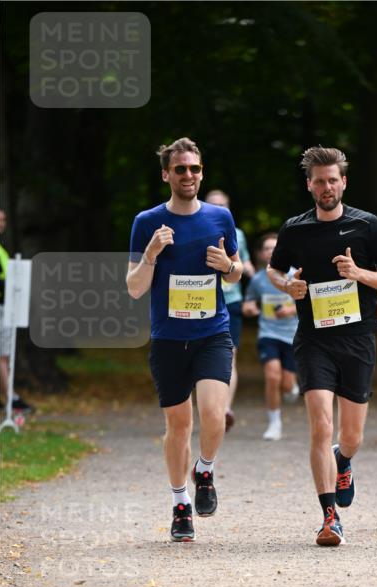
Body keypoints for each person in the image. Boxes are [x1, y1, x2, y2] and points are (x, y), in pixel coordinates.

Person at [267, 145, 377, 546]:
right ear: (309, 185)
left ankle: (343, 461)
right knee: (320, 426)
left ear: (343, 182)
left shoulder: (368, 226)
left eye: (332, 180)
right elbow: (274, 270)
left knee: (352, 436)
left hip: (358, 338)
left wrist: (358, 272)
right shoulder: (296, 228)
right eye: (319, 181)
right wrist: (287, 285)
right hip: (314, 340)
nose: (326, 187)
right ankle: (330, 517)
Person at [126, 137, 241, 542]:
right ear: (166, 175)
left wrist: (228, 265)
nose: (188, 175)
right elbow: (135, 288)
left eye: (194, 169)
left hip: (212, 332)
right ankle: (180, 504)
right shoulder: (147, 223)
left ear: (202, 172)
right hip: (169, 339)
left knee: (213, 414)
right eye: (180, 170)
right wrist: (151, 255)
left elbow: (236, 272)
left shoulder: (220, 217)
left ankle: (205, 470)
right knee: (178, 425)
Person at [204, 190, 255, 431]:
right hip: (200, 300)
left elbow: (243, 263)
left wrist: (259, 280)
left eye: (223, 206)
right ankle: (211, 408)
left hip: (231, 300)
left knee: (229, 356)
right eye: (214, 205)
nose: (219, 210)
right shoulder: (196, 228)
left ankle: (224, 409)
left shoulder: (239, 235)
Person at [242, 233, 298, 441]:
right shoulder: (257, 279)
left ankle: (291, 386)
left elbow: (310, 304)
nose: (271, 252)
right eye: (267, 248)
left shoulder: (295, 275)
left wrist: (291, 310)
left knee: (286, 384)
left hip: (292, 335)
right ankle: (275, 423)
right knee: (272, 376)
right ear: (261, 253)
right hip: (268, 333)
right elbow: (249, 302)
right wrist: (249, 309)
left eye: (275, 248)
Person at [0, 209, 32, 413]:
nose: (2, 223)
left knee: (4, 354)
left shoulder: (1, 249)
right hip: (1, 307)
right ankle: (11, 398)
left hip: (5, 306)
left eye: (4, 219)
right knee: (2, 355)